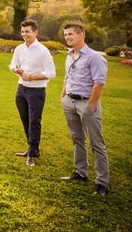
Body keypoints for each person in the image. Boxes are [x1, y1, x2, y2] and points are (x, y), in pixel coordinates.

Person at [60, 22, 110, 196]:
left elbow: (99, 83)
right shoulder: (69, 55)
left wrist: (90, 106)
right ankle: (80, 172)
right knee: (77, 138)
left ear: (81, 35)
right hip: (70, 102)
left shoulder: (94, 57)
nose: (67, 37)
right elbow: (67, 76)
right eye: (65, 35)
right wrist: (63, 96)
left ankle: (102, 183)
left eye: (70, 34)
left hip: (87, 103)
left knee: (97, 143)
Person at [9, 19, 56, 167]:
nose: (24, 34)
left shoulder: (43, 51)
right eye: (22, 31)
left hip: (36, 91)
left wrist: (30, 77)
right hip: (21, 89)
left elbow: (51, 72)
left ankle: (32, 154)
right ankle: (32, 149)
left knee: (34, 122)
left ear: (35, 32)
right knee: (25, 120)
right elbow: (12, 63)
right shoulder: (19, 49)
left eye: (27, 31)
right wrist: (15, 69)